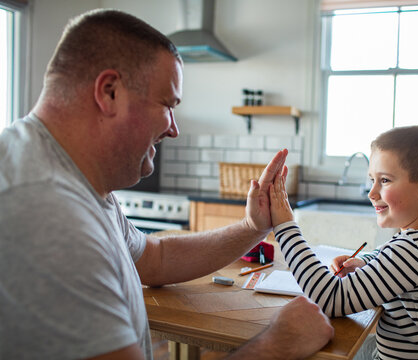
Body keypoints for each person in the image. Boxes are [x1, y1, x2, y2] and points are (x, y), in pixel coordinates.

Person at [0, 9, 333, 360]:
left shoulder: (72, 175)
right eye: (167, 104)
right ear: (109, 92)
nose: (173, 128)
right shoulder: (46, 214)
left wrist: (253, 226)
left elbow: (156, 259)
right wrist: (278, 344)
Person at [269, 126, 418, 359]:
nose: (371, 193)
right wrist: (365, 262)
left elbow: (329, 299)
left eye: (384, 180)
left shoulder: (413, 250)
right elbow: (395, 259)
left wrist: (285, 227)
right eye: (372, 180)